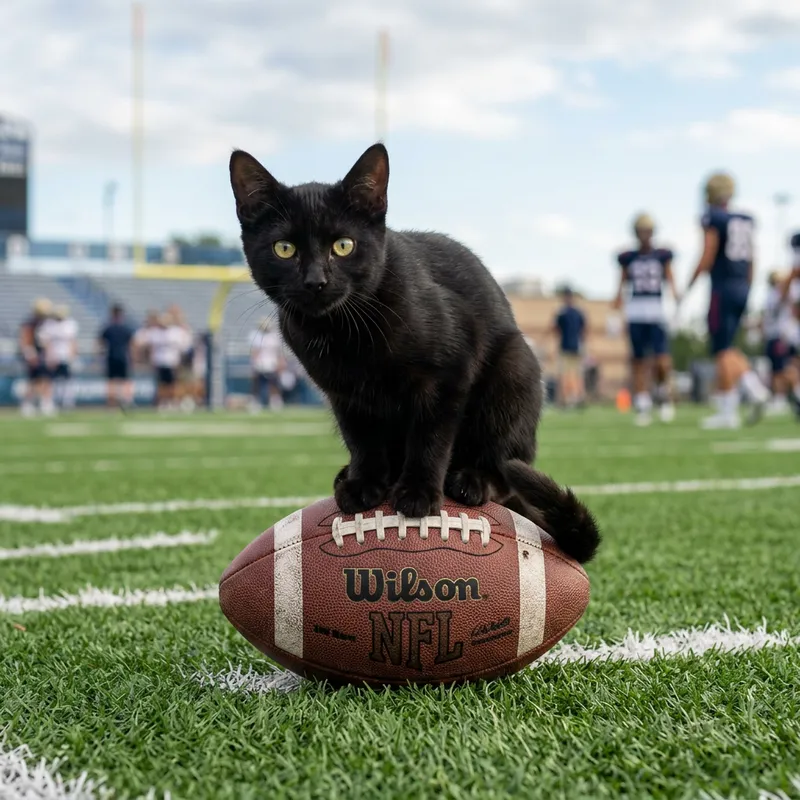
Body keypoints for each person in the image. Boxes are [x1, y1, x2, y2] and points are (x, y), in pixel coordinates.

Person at [684, 172, 769, 428]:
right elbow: (753, 257)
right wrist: (748, 287)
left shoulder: (714, 218)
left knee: (720, 349)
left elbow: (708, 252)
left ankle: (736, 404)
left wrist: (689, 284)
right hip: (742, 285)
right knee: (728, 347)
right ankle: (748, 392)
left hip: (723, 287)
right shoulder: (745, 219)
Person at [613, 213, 679, 426]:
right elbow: (622, 282)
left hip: (656, 310)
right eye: (641, 231)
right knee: (638, 360)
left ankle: (664, 396)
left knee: (662, 360)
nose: (644, 235)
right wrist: (617, 301)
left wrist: (676, 296)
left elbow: (669, 277)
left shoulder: (662, 254)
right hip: (636, 310)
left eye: (647, 231)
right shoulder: (628, 257)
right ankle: (643, 404)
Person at [18, 298, 54, 417]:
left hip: (42, 354)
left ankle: (45, 402)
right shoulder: (30, 323)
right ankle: (28, 403)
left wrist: (49, 355)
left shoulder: (44, 323)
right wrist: (30, 354)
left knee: (45, 379)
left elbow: (47, 342)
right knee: (34, 381)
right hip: (33, 354)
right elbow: (25, 339)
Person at [552, 288, 586, 409]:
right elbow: (583, 331)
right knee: (574, 374)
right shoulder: (579, 313)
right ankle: (576, 398)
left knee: (567, 374)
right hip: (574, 347)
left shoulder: (562, 313)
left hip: (567, 348)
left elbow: (555, 329)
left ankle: (568, 399)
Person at [148, 312, 189, 410]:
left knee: (173, 384)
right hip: (160, 362)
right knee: (161, 384)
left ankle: (172, 402)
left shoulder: (175, 332)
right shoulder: (156, 332)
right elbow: (151, 348)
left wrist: (179, 361)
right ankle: (162, 402)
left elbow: (182, 347)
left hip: (172, 362)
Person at [40, 304, 78, 410]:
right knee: (50, 380)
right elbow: (46, 342)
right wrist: (49, 355)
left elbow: (73, 341)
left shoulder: (70, 324)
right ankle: (49, 402)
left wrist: (72, 355)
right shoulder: (49, 324)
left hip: (65, 356)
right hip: (53, 357)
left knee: (67, 380)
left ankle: (67, 402)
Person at [99, 304, 135, 409]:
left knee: (111, 381)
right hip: (123, 356)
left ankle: (111, 403)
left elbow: (101, 344)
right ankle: (127, 401)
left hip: (111, 356)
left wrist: (100, 357)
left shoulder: (108, 328)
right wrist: (133, 358)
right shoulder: (126, 329)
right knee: (125, 380)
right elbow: (131, 345)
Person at [249, 317, 285, 411]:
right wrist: (254, 364)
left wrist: (280, 363)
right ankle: (255, 402)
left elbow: (278, 352)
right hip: (260, 364)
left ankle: (275, 402)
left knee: (273, 384)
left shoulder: (274, 336)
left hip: (272, 364)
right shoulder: (256, 336)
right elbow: (254, 352)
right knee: (257, 385)